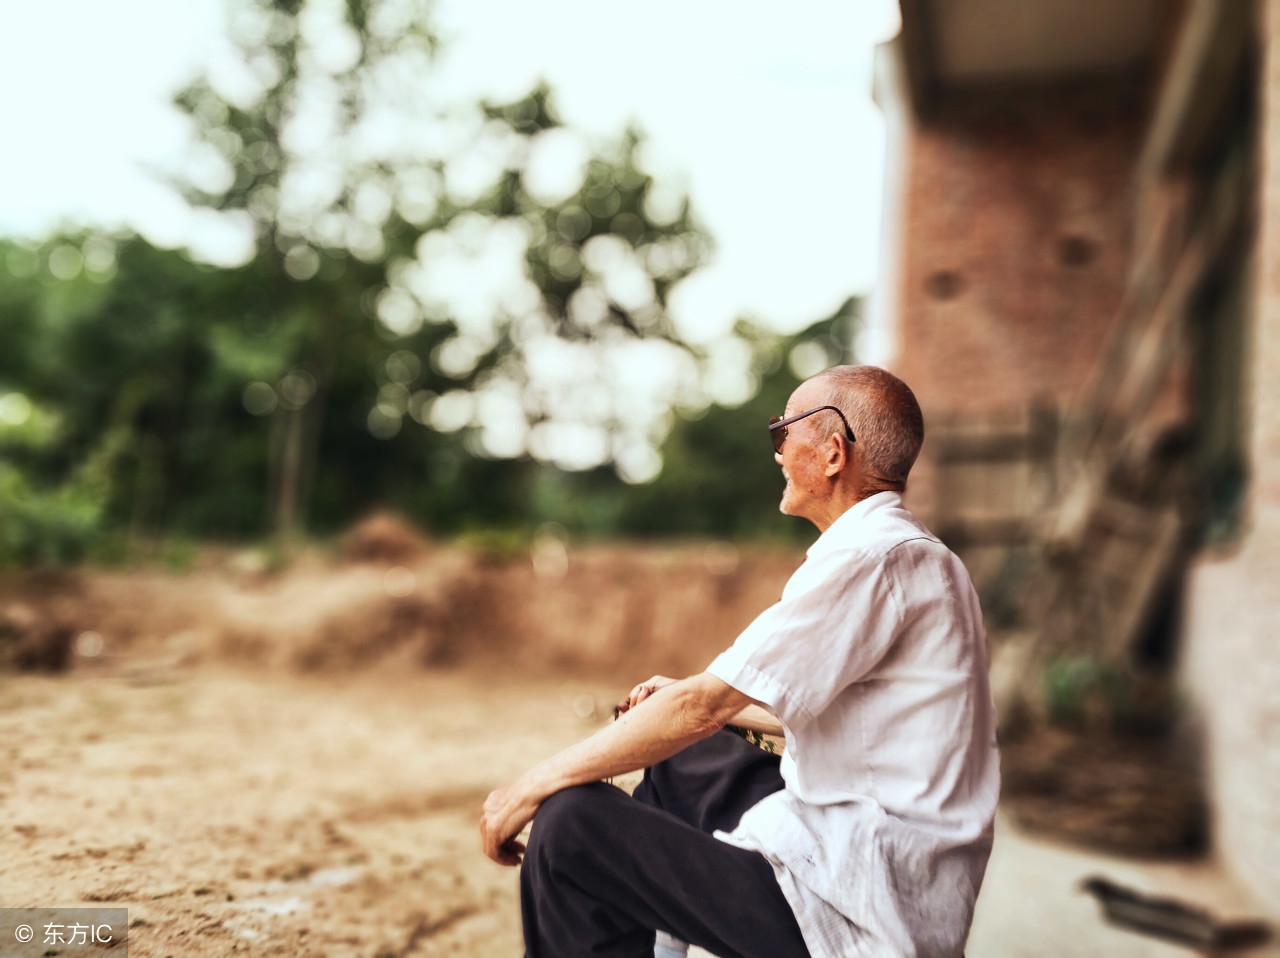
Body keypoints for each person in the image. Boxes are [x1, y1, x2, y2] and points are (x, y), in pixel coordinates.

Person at [480, 365, 1000, 958]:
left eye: (783, 432)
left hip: (863, 911)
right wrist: (717, 711)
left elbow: (702, 705)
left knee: (569, 826)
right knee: (690, 762)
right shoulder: (914, 555)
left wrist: (531, 786)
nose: (778, 453)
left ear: (833, 452)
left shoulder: (873, 558)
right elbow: (863, 722)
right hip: (876, 871)